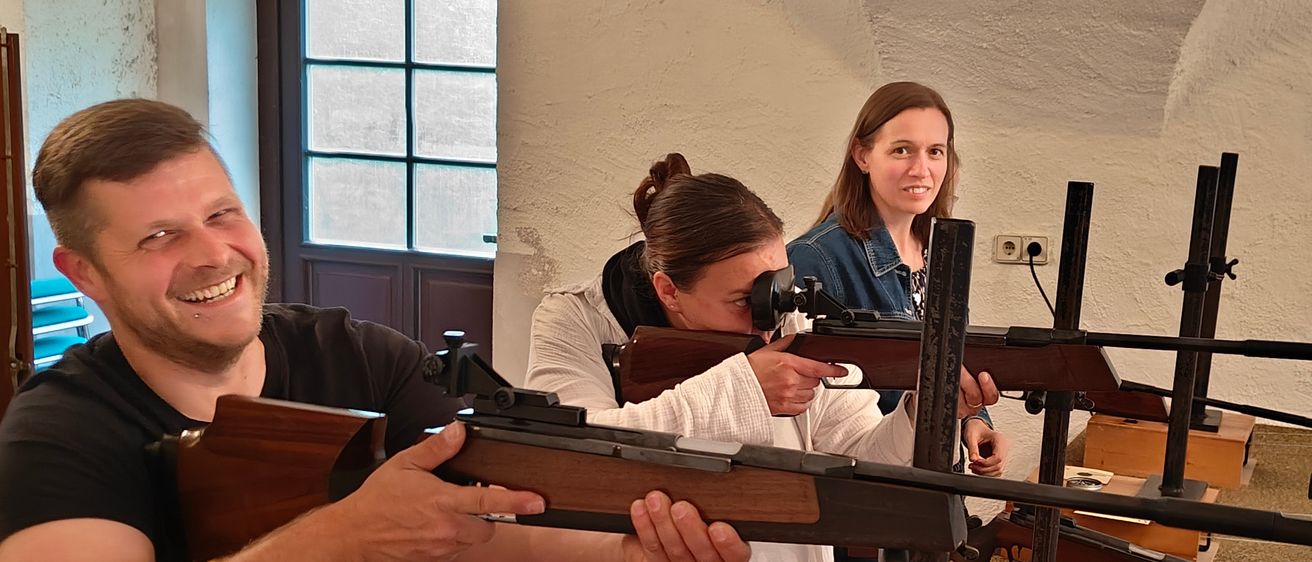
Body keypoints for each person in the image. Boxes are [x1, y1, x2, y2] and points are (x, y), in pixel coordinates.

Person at [0, 99, 749, 562]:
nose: (210, 255)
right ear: (85, 274)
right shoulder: (57, 433)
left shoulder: (360, 355)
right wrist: (337, 540)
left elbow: (483, 515)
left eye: (222, 213)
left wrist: (627, 551)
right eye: (158, 236)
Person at [524, 153, 999, 562]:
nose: (769, 320)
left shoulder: (784, 318)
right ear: (668, 290)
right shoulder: (576, 319)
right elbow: (572, 455)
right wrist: (746, 387)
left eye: (776, 288)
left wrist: (924, 410)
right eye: (741, 300)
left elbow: (860, 449)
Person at [786, 82, 1008, 480]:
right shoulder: (815, 257)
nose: (921, 169)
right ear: (863, 155)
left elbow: (955, 363)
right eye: (902, 149)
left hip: (933, 486)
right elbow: (806, 414)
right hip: (865, 498)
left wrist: (975, 422)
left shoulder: (940, 253)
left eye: (935, 152)